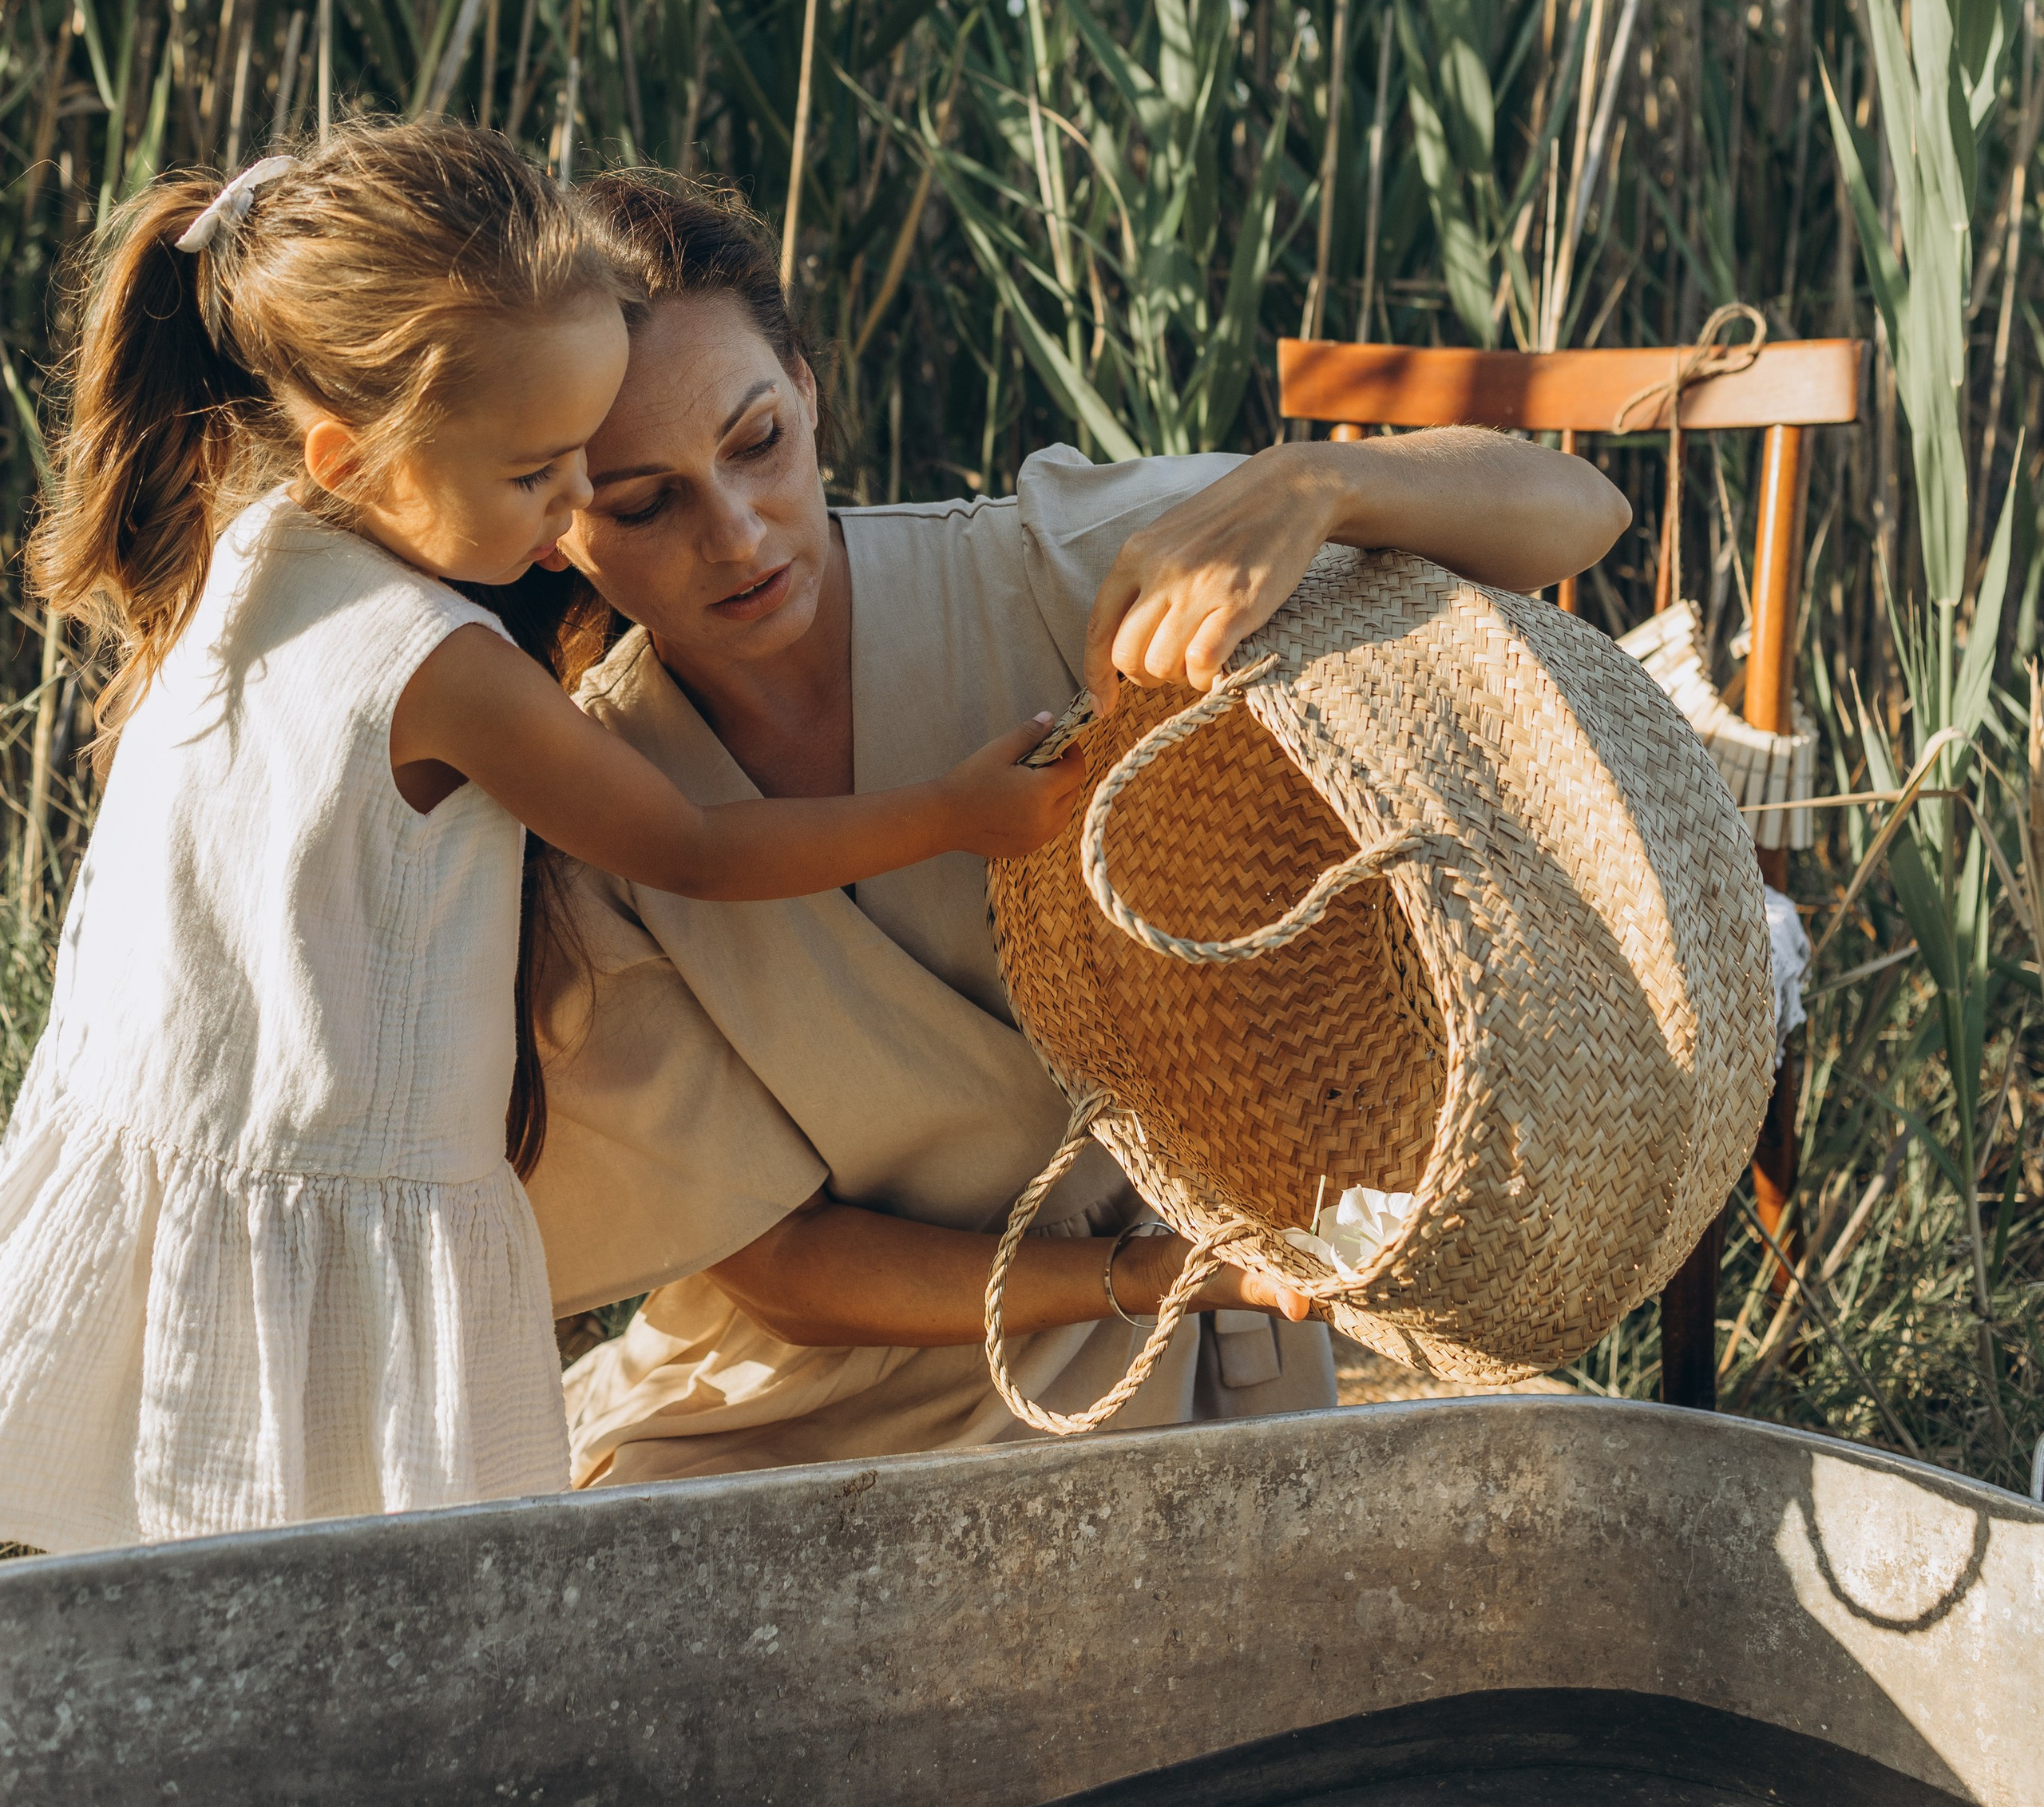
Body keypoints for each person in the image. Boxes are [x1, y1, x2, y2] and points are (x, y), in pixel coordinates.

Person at [0, 124, 1082, 1557]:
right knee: (377, 1584)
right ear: (352, 455)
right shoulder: (446, 667)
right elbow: (691, 845)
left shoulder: (242, 553)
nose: (573, 514)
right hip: (346, 1207)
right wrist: (951, 813)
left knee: (161, 1559)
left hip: (188, 1159)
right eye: (540, 477)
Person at [522, 172, 1630, 1483]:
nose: (737, 531)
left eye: (758, 441)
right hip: (781, 1415)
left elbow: (1577, 511)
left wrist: (1319, 482)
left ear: (808, 393)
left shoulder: (1049, 569)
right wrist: (1148, 1274)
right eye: (644, 503)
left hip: (1172, 1368)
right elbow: (787, 1274)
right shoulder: (587, 812)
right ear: (552, 528)